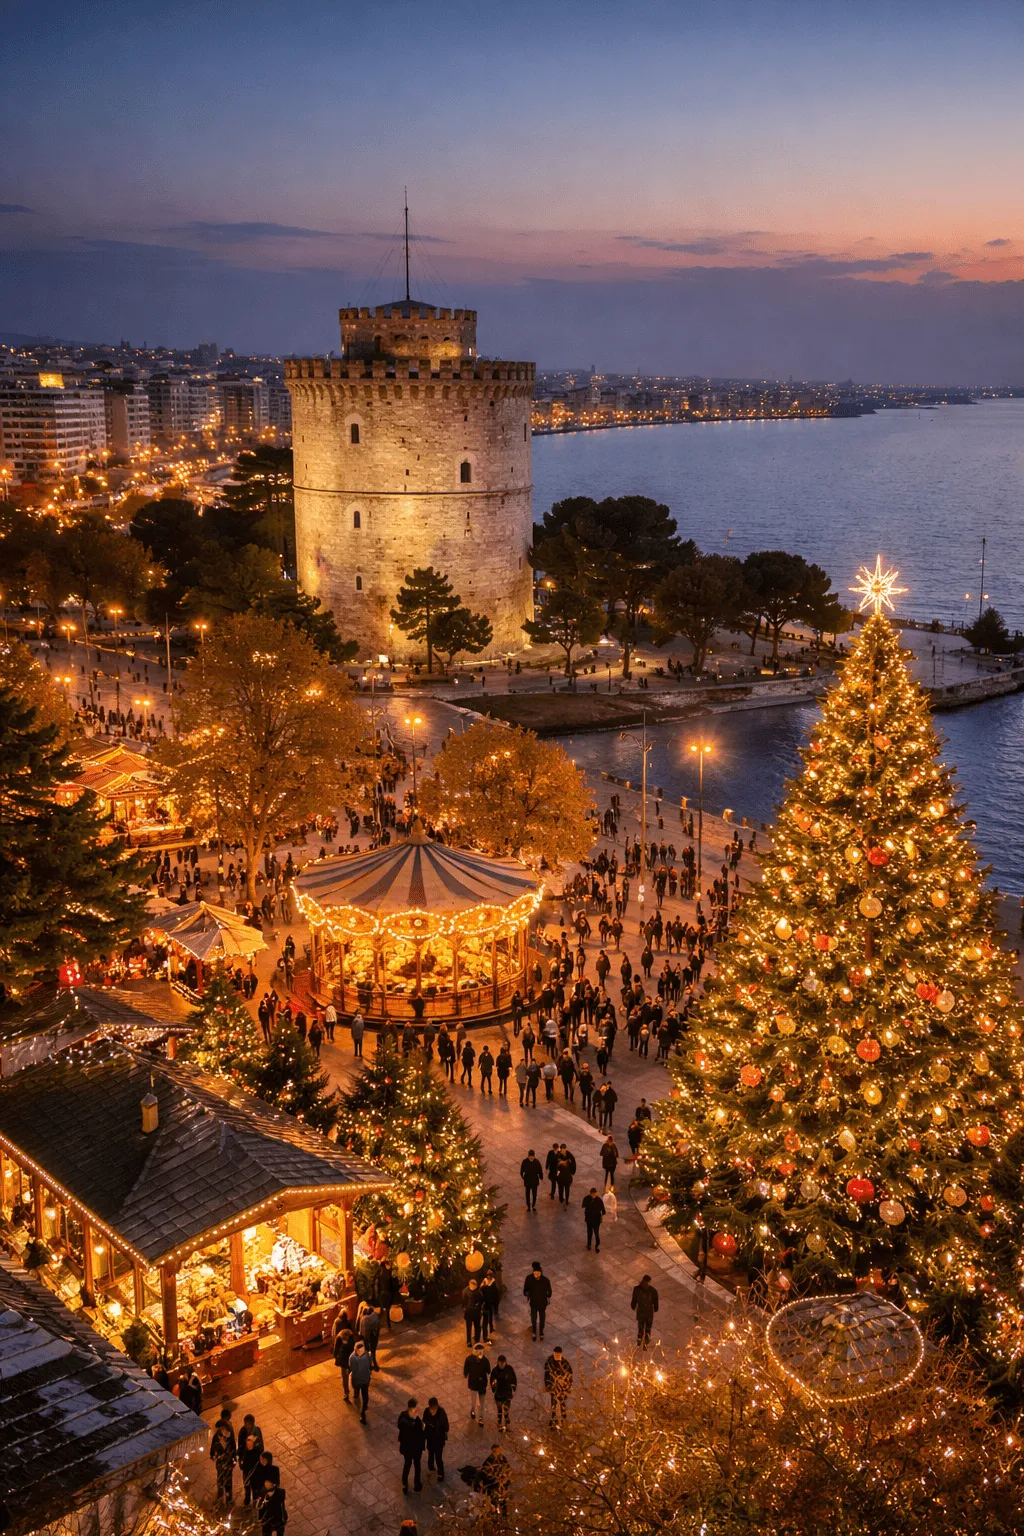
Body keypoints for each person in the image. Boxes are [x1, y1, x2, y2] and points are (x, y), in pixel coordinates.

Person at [397, 1398, 426, 1493]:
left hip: (417, 1448)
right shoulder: (404, 1416)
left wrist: (422, 1427)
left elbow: (420, 1431)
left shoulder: (416, 1418)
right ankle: (404, 1484)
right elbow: (402, 1426)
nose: (418, 1410)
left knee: (417, 1466)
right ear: (411, 1408)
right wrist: (414, 1422)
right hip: (408, 1448)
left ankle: (417, 1484)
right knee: (408, 1465)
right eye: (416, 1408)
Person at [544, 1346, 573, 1427]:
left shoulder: (565, 1363)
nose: (556, 1355)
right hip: (553, 1386)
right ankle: (553, 1420)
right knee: (553, 1403)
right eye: (555, 1354)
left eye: (558, 1354)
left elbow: (570, 1375)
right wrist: (548, 1385)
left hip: (563, 1387)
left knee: (562, 1403)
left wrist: (567, 1386)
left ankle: (563, 1420)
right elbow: (546, 1375)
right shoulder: (550, 1363)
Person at [209, 1417, 236, 1504]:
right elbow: (212, 1448)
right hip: (220, 1463)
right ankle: (220, 1498)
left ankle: (229, 1499)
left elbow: (234, 1448)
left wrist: (234, 1459)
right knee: (220, 1480)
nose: (223, 1430)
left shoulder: (230, 1437)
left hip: (228, 1463)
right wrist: (213, 1455)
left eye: (224, 1428)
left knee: (228, 1481)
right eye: (221, 1429)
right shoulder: (216, 1437)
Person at [478, 1445, 510, 1517]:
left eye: (498, 1450)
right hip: (492, 1484)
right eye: (495, 1451)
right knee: (493, 1500)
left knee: (503, 1499)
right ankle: (494, 1515)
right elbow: (484, 1471)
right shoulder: (489, 1460)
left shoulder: (503, 1459)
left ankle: (504, 1514)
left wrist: (505, 1478)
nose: (497, 1452)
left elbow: (507, 1469)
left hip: (501, 1483)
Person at [523, 1261, 552, 1341]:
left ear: (541, 1272)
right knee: (533, 1319)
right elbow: (525, 1289)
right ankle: (534, 1333)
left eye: (538, 1273)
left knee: (542, 1319)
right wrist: (526, 1293)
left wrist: (548, 1295)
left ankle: (541, 1332)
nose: (536, 1275)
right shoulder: (529, 1278)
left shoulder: (546, 1280)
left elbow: (550, 1291)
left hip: (542, 1304)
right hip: (533, 1303)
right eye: (535, 1273)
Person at [489, 1353, 518, 1433]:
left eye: (503, 1363)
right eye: (500, 1363)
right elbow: (492, 1380)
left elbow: (513, 1378)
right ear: (498, 1362)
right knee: (499, 1410)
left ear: (505, 1362)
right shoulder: (495, 1370)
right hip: (499, 1394)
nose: (502, 1364)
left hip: (507, 1393)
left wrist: (513, 1386)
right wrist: (493, 1386)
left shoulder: (509, 1369)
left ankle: (506, 1423)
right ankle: (499, 1423)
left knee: (506, 1409)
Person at [423, 1396, 449, 1482]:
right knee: (430, 1454)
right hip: (430, 1438)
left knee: (438, 1457)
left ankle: (441, 1473)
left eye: (434, 1408)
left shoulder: (441, 1412)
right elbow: (424, 1421)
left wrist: (438, 1427)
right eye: (431, 1408)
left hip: (439, 1439)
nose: (432, 1410)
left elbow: (446, 1426)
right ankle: (431, 1467)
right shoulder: (426, 1411)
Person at [463, 1340, 491, 1422]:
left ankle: (481, 1417)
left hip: (482, 1384)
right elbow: (466, 1368)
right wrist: (465, 1374)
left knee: (482, 1403)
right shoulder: (469, 1359)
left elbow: (488, 1371)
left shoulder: (485, 1361)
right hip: (473, 1384)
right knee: (473, 1401)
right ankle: (472, 1411)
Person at [631, 1273, 660, 1348]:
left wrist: (633, 1306)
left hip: (644, 1312)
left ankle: (642, 1342)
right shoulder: (652, 1290)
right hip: (646, 1312)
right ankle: (643, 1342)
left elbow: (634, 1299)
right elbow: (655, 1301)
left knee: (643, 1328)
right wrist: (656, 1308)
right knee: (645, 1328)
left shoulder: (638, 1289)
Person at [239, 1430, 263, 1507]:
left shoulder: (256, 1452)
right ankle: (247, 1499)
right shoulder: (245, 1451)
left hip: (254, 1474)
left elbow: (258, 1463)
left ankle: (255, 1502)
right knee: (246, 1486)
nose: (248, 1444)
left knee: (254, 1488)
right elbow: (242, 1458)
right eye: (247, 1443)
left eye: (250, 1443)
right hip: (246, 1472)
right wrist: (242, 1465)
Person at [350, 1338, 373, 1421]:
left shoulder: (353, 1357)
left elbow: (351, 1367)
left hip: (363, 1379)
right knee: (358, 1389)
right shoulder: (355, 1357)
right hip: (359, 1378)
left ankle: (364, 1408)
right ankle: (358, 1398)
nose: (362, 1352)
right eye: (360, 1351)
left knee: (364, 1393)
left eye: (362, 1350)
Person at [333, 1319, 355, 1401]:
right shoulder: (351, 1335)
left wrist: (336, 1357)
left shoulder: (339, 1336)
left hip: (343, 1359)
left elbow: (336, 1348)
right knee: (352, 1373)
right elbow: (354, 1345)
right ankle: (355, 1387)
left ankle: (346, 1393)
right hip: (350, 1358)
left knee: (344, 1377)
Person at [358, 1301, 382, 1368]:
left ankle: (368, 1364)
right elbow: (378, 1326)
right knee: (373, 1350)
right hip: (374, 1336)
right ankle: (374, 1362)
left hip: (366, 1337)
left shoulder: (363, 1318)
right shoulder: (375, 1316)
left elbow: (360, 1328)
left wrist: (360, 1334)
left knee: (367, 1350)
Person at [582, 1187, 606, 1251]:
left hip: (594, 1220)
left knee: (595, 1233)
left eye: (594, 1194)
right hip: (592, 1220)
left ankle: (596, 1245)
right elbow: (603, 1211)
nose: (593, 1195)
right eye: (593, 1194)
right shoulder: (598, 1200)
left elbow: (603, 1211)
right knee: (591, 1233)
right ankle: (590, 1245)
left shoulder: (588, 1199)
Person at [462, 1277, 484, 1344]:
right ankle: (469, 1341)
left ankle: (477, 1338)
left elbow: (481, 1301)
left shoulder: (478, 1292)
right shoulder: (465, 1291)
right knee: (469, 1328)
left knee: (477, 1326)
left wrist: (478, 1307)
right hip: (469, 1313)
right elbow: (464, 1301)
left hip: (476, 1313)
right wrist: (466, 1308)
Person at [479, 1269, 500, 1338]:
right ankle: (486, 1326)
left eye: (490, 1276)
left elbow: (496, 1293)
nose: (489, 1277)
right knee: (486, 1315)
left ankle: (490, 1327)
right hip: (486, 1301)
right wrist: (483, 1286)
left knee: (490, 1315)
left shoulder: (493, 1283)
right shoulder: (485, 1281)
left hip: (489, 1301)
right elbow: (480, 1289)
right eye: (488, 1276)